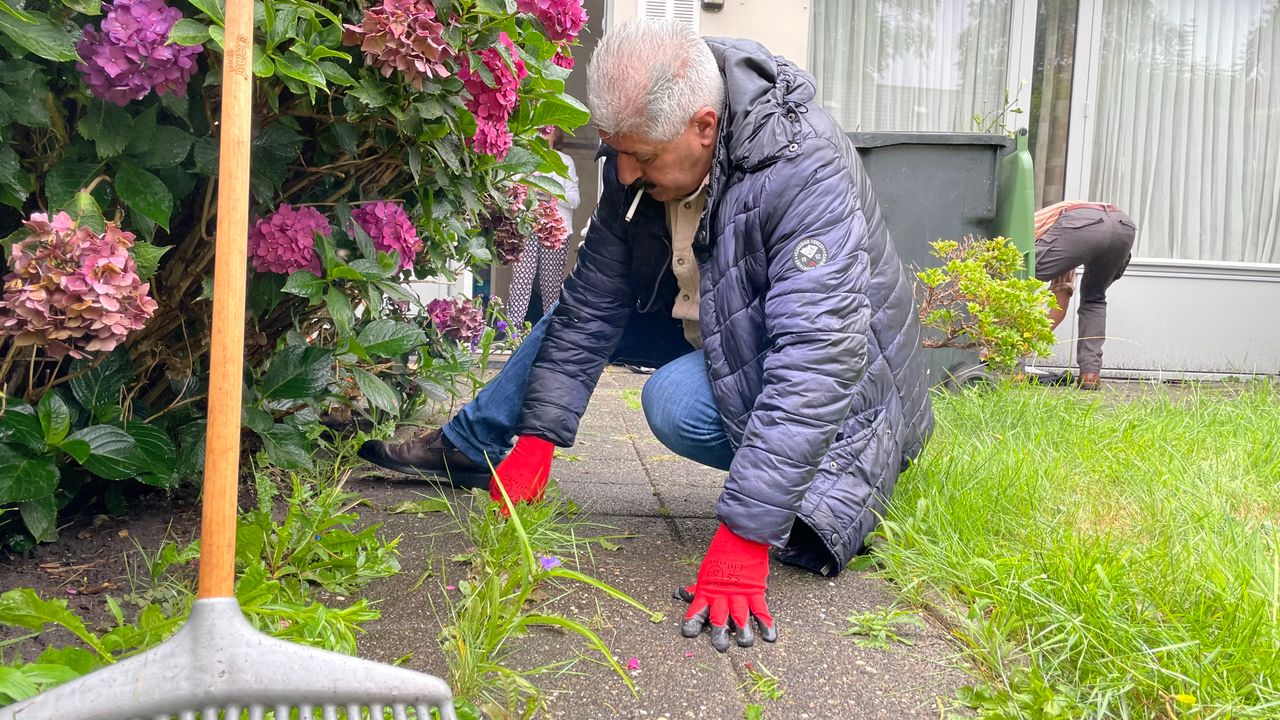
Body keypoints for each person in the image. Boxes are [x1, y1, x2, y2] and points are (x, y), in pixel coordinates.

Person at [359, 19, 933, 652]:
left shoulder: (803, 169)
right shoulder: (638, 150)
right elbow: (591, 304)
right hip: (720, 316)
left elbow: (818, 357)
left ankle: (809, 474)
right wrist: (539, 438)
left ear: (705, 126)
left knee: (673, 403)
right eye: (615, 151)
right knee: (570, 314)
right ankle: (481, 446)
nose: (625, 174)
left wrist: (747, 535)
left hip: (852, 395)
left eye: (643, 157)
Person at [1033, 200, 1136, 390]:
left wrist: (1015, 349)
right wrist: (1029, 343)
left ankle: (1012, 370)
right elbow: (1059, 306)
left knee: (1018, 274)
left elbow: (1015, 275)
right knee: (1094, 298)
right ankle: (1090, 374)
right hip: (1124, 226)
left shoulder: (1028, 228)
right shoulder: (1061, 238)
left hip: (1081, 223)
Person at [506, 126, 580, 328]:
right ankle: (513, 331)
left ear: (557, 136)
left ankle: (550, 331)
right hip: (527, 226)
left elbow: (575, 200)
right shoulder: (524, 157)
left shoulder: (565, 162)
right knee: (521, 280)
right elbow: (509, 190)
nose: (542, 134)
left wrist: (554, 193)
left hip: (555, 231)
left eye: (548, 130)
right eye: (539, 129)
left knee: (551, 284)